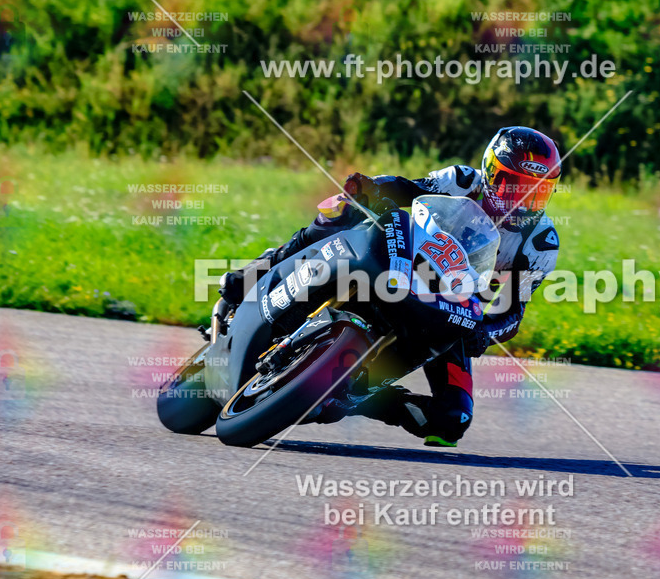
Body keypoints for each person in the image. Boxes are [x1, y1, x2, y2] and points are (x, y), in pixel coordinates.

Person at [220, 126, 562, 446]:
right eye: (513, 186)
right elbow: (404, 187)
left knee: (451, 420)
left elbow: (513, 311)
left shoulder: (540, 244)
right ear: (490, 173)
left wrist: (485, 331)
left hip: (450, 306)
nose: (522, 201)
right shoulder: (461, 180)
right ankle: (258, 270)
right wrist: (372, 188)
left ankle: (350, 397)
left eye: (538, 192)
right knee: (342, 206)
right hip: (401, 256)